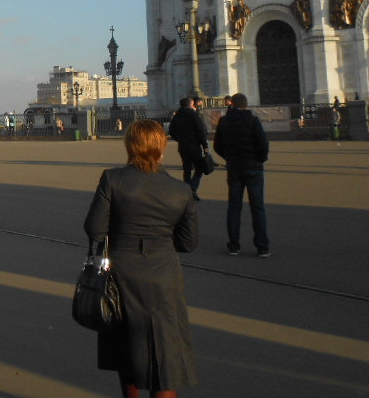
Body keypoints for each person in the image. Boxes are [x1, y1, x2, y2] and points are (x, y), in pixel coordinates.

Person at [83, 119, 198, 398]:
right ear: (161, 148)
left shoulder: (112, 179)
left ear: (130, 146)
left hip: (121, 275)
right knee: (165, 357)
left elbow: (95, 230)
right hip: (163, 277)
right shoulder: (182, 190)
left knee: (126, 351)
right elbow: (188, 243)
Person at [213, 93, 270, 257]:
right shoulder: (252, 120)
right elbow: (263, 143)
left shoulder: (224, 121)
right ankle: (262, 248)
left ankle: (234, 246)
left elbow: (217, 146)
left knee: (234, 207)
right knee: (258, 208)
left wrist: (229, 158)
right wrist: (260, 159)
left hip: (234, 168)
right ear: (245, 105)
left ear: (232, 104)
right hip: (254, 168)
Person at [168, 98, 207, 201]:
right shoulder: (194, 115)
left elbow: (171, 131)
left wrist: (180, 139)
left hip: (183, 147)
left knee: (187, 169)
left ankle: (187, 191)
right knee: (199, 168)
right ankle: (192, 188)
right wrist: (204, 145)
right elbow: (200, 131)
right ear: (191, 104)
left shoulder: (177, 116)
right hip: (194, 146)